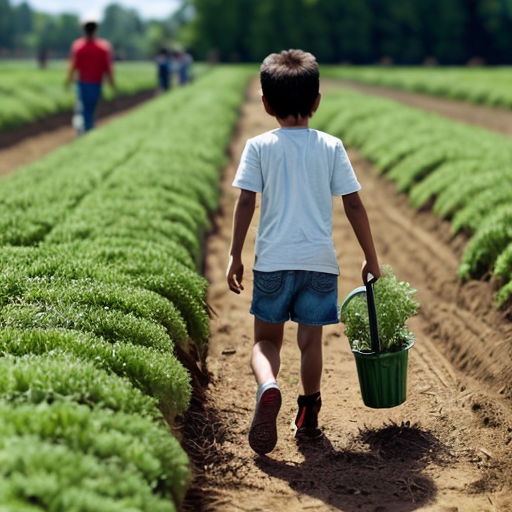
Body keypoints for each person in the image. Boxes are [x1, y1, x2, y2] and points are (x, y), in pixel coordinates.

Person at [226, 49, 380, 456]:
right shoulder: (330, 146)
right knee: (311, 343)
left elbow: (246, 202)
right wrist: (371, 257)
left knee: (265, 343)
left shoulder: (259, 146)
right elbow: (353, 204)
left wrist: (234, 254)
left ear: (266, 104)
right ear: (316, 101)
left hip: (273, 261)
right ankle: (309, 417)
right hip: (319, 263)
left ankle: (268, 385)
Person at [65, 14, 115, 134]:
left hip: (82, 82)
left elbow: (73, 66)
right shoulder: (103, 47)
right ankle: (88, 128)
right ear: (96, 29)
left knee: (83, 106)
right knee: (90, 108)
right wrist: (112, 82)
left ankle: (84, 127)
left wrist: (68, 80)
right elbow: (107, 67)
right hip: (96, 83)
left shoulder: (78, 46)